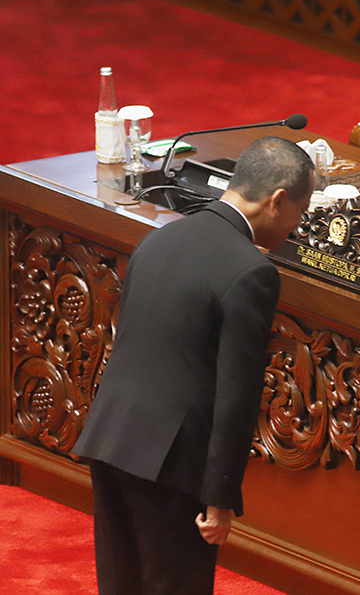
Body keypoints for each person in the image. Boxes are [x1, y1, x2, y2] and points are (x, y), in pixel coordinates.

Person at [73, 137, 315, 594]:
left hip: (111, 435)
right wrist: (220, 498)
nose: (296, 227)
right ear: (278, 200)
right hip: (171, 461)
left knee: (122, 583)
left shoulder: (160, 238)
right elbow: (236, 395)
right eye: (299, 213)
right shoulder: (251, 271)